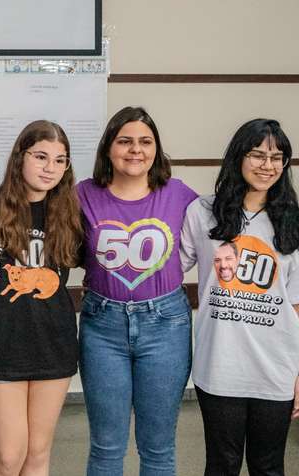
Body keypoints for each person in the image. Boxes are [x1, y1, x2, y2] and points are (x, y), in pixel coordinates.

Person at [180, 118, 299, 476]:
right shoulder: (202, 213)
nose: (267, 165)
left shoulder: (297, 225)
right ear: (238, 157)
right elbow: (169, 267)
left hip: (277, 369)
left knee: (268, 466)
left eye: (277, 157)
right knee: (222, 465)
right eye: (257, 155)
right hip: (219, 365)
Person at [76, 107, 197, 476]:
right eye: (125, 141)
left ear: (156, 150)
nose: (135, 150)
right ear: (108, 148)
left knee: (158, 447)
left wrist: (296, 240)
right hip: (102, 327)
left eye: (146, 142)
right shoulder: (82, 194)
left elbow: (230, 221)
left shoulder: (178, 194)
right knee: (106, 446)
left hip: (166, 326)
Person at [0, 120, 82, 476]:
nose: (51, 168)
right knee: (7, 457)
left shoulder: (69, 213)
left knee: (37, 454)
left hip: (53, 346)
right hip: (0, 347)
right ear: (20, 157)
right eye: (41, 156)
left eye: (60, 160)